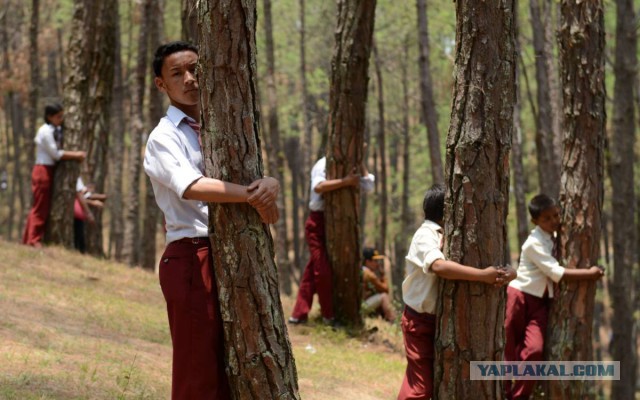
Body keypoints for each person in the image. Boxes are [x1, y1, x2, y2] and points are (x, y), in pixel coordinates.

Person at [143, 41, 279, 400]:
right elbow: (191, 186)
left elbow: (250, 178)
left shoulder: (227, 127)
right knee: (197, 372)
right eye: (177, 73)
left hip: (229, 256)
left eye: (195, 70)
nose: (189, 79)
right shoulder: (164, 137)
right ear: (161, 84)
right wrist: (252, 194)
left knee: (235, 363)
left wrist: (270, 184)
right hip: (191, 258)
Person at [397, 184, 516, 400]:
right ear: (448, 211)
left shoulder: (445, 234)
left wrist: (510, 274)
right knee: (421, 390)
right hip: (419, 321)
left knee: (421, 378)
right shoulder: (425, 235)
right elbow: (439, 266)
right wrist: (482, 275)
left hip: (436, 321)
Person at [504, 194, 603, 400]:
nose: (554, 221)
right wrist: (590, 274)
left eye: (556, 215)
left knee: (534, 350)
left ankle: (518, 396)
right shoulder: (533, 243)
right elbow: (556, 272)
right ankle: (503, 393)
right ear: (535, 221)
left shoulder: (558, 238)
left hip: (541, 302)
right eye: (547, 218)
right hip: (520, 297)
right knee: (508, 351)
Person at [289, 156, 374, 325]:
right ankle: (328, 316)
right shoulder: (322, 164)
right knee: (322, 270)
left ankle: (298, 315)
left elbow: (369, 186)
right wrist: (345, 182)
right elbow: (319, 187)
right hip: (318, 222)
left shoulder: (353, 163)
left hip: (338, 224)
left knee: (312, 270)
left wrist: (360, 162)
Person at [23, 103, 86, 247]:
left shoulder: (55, 130)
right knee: (41, 206)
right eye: (58, 117)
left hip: (49, 170)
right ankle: (34, 239)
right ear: (49, 117)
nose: (61, 120)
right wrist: (76, 155)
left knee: (41, 205)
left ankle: (30, 238)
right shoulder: (45, 132)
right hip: (42, 170)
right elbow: (55, 154)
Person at [361, 247, 396, 322]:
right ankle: (393, 321)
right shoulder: (368, 274)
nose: (377, 263)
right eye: (375, 261)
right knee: (383, 297)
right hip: (362, 308)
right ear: (367, 261)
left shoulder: (364, 271)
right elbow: (385, 289)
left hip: (363, 305)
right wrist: (383, 275)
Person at [73, 177, 106, 253]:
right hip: (76, 212)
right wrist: (92, 206)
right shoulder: (77, 179)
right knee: (78, 235)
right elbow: (81, 197)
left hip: (80, 214)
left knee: (80, 234)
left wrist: (103, 196)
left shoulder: (80, 183)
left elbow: (88, 196)